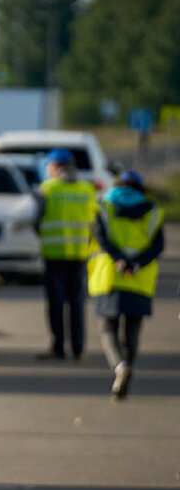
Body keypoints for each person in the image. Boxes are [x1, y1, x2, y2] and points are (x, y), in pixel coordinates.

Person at [89, 170, 164, 399]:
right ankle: (127, 368)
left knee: (108, 326)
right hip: (139, 278)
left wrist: (120, 261)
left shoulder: (104, 205)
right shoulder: (152, 211)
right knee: (132, 328)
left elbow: (101, 237)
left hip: (110, 274)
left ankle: (119, 367)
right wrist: (136, 264)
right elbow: (157, 246)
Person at [35, 147, 97, 360]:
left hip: (54, 255)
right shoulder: (86, 189)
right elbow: (95, 221)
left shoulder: (47, 189)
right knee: (77, 303)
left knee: (56, 303)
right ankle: (78, 349)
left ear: (54, 166)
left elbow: (37, 219)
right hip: (79, 254)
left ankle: (58, 347)